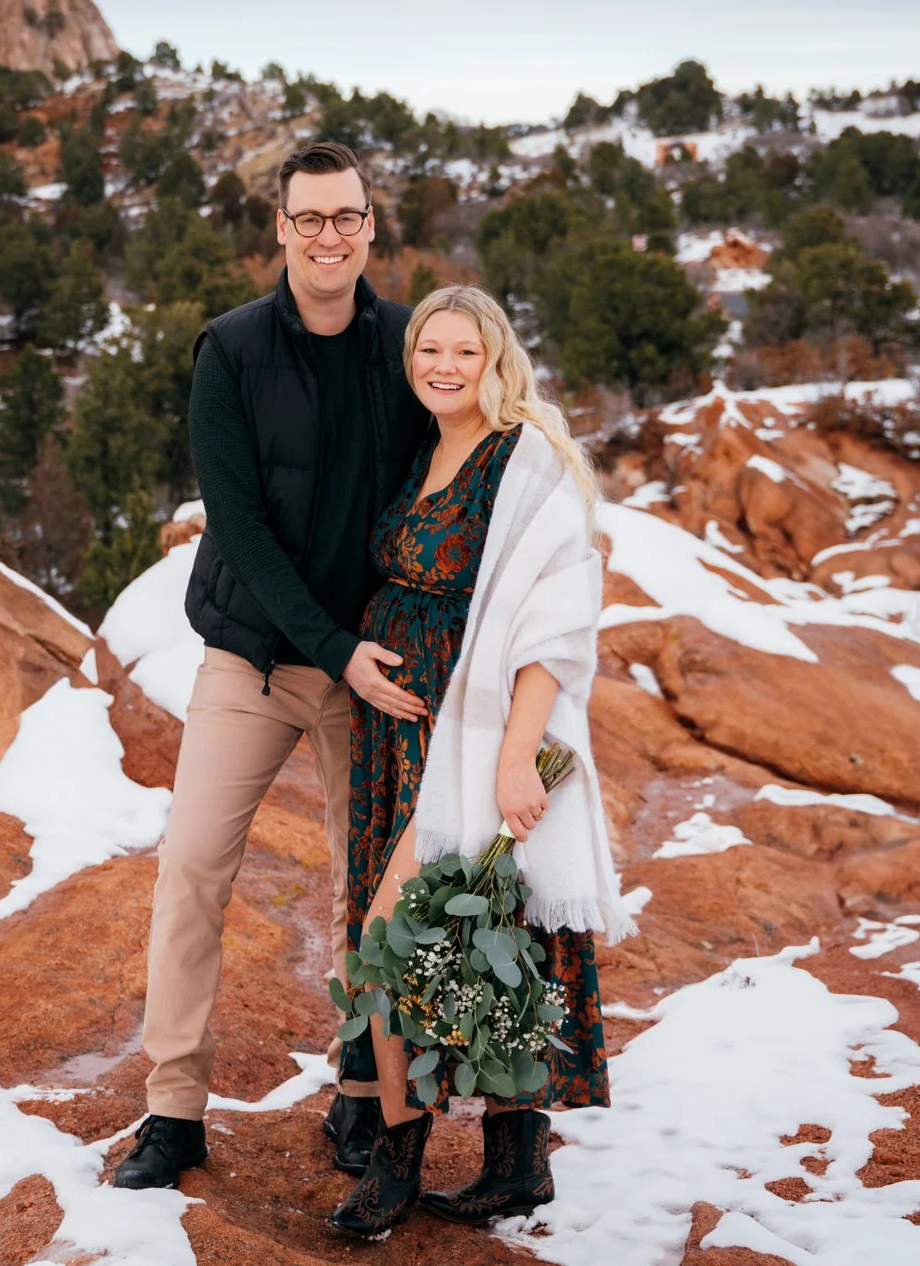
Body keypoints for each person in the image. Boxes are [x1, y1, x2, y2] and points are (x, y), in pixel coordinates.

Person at [112, 142, 432, 1190]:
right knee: (193, 866)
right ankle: (173, 1108)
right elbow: (241, 529)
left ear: (370, 225)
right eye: (309, 218)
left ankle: (357, 1090)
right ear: (280, 228)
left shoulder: (408, 345)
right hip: (253, 654)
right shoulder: (231, 349)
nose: (328, 235)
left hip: (369, 670)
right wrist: (331, 644)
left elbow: (463, 469)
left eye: (346, 216)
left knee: (365, 889)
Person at [326, 284, 636, 1240]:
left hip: (474, 733)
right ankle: (514, 1161)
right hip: (400, 735)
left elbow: (553, 621)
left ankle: (397, 1162)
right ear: (411, 358)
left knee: (403, 943)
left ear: (496, 359)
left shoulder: (523, 455)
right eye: (430, 351)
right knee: (466, 939)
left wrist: (515, 757)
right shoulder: (425, 448)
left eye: (465, 351)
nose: (445, 367)